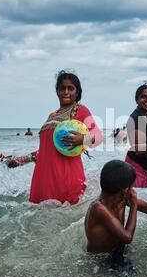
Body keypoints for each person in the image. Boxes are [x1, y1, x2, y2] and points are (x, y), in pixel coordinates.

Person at [6, 71, 103, 205]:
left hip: (65, 178)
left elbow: (98, 137)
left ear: (77, 92)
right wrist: (23, 160)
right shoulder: (51, 116)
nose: (66, 92)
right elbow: (46, 150)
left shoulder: (80, 110)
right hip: (42, 180)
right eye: (62, 88)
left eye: (71, 88)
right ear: (57, 91)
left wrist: (83, 139)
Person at [84, 160, 147, 258]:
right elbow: (127, 237)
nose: (133, 189)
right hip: (100, 260)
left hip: (119, 250)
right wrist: (134, 205)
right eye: (132, 186)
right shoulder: (98, 208)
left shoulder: (122, 199)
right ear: (125, 190)